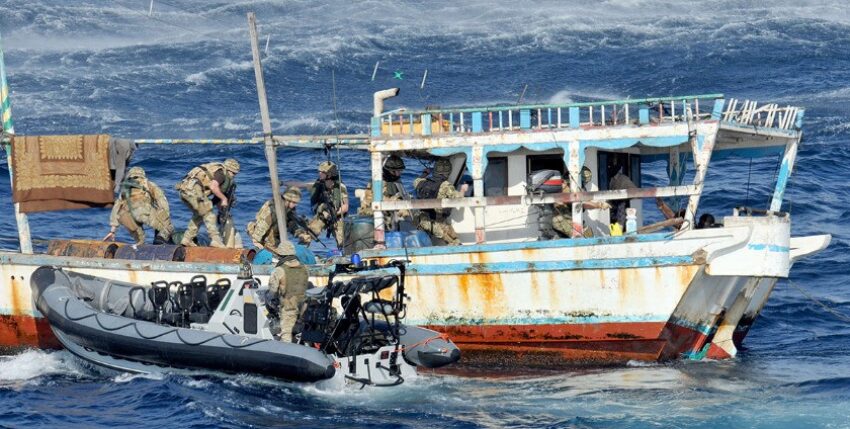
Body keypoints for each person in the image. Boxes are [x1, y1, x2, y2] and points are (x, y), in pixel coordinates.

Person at [175, 158, 239, 248]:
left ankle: (187, 239)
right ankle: (215, 240)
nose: (233, 176)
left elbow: (215, 197)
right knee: (208, 213)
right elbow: (213, 187)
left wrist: (222, 210)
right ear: (229, 170)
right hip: (193, 190)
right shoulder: (221, 173)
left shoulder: (215, 170)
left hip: (184, 190)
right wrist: (224, 199)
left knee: (200, 214)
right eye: (233, 173)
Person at [103, 166, 174, 245]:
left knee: (140, 241)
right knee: (169, 227)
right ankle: (159, 240)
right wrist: (165, 220)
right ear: (142, 174)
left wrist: (112, 230)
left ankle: (140, 246)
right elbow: (162, 201)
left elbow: (117, 207)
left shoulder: (125, 188)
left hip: (126, 217)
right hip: (143, 211)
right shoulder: (148, 184)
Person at [413, 158, 466, 245]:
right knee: (455, 242)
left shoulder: (421, 182)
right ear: (448, 173)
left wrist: (425, 173)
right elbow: (459, 199)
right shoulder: (446, 186)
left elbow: (416, 181)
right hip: (437, 223)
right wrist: (463, 190)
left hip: (421, 219)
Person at [247, 186, 314, 252]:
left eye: (296, 203)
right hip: (263, 236)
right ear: (287, 200)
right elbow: (262, 225)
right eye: (293, 202)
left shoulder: (289, 209)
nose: (295, 205)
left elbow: (291, 224)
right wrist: (257, 241)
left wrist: (300, 234)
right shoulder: (272, 208)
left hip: (275, 237)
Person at [552, 167, 610, 238]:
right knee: (586, 236)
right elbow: (583, 203)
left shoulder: (565, 184)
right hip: (562, 220)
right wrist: (600, 205)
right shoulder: (569, 187)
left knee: (586, 231)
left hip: (564, 218)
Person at [268, 242, 309, 342]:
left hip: (288, 308)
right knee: (303, 334)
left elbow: (272, 293)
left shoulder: (279, 270)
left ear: (280, 255)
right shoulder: (305, 268)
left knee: (286, 336)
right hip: (304, 307)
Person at [357, 154, 410, 229]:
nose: (398, 174)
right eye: (395, 171)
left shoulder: (394, 181)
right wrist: (402, 208)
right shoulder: (378, 182)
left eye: (400, 171)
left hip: (391, 217)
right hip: (377, 219)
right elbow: (377, 201)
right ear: (387, 170)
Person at [308, 161, 349, 247]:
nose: (319, 173)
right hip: (323, 214)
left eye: (322, 172)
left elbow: (345, 207)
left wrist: (333, 213)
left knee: (343, 242)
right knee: (309, 233)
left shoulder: (340, 187)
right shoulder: (320, 184)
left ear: (329, 174)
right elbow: (304, 185)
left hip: (336, 217)